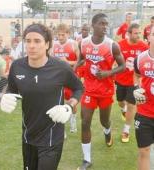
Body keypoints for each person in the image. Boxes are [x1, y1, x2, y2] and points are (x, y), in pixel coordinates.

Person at [0, 23, 83, 170]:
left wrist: (69, 107)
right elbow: (12, 90)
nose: (31, 46)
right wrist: (4, 96)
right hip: (28, 136)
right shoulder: (17, 66)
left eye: (37, 41)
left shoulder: (60, 67)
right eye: (28, 41)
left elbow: (79, 88)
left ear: (47, 44)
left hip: (52, 137)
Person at [75, 13, 125, 170]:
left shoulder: (112, 45)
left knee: (104, 120)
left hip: (105, 90)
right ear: (93, 25)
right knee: (85, 122)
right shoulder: (83, 43)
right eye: (101, 23)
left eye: (106, 24)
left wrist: (108, 73)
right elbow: (82, 59)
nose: (105, 26)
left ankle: (107, 130)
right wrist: (75, 69)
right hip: (89, 89)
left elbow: (122, 65)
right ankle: (87, 159)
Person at [115, 23, 148, 143]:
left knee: (131, 105)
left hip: (135, 81)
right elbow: (114, 60)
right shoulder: (120, 45)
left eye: (139, 33)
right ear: (128, 34)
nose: (138, 35)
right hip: (120, 80)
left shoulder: (144, 47)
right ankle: (123, 108)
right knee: (120, 102)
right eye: (136, 33)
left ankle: (126, 130)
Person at [52, 23, 80, 133]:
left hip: (70, 78)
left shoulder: (73, 44)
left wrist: (68, 62)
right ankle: (61, 127)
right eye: (59, 35)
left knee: (71, 101)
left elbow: (80, 61)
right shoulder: (54, 45)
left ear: (68, 34)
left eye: (63, 35)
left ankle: (73, 120)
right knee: (58, 102)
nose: (60, 37)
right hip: (57, 78)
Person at [133, 25, 154, 170]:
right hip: (144, 113)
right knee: (143, 151)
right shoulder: (140, 58)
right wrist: (136, 88)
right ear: (148, 36)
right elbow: (136, 75)